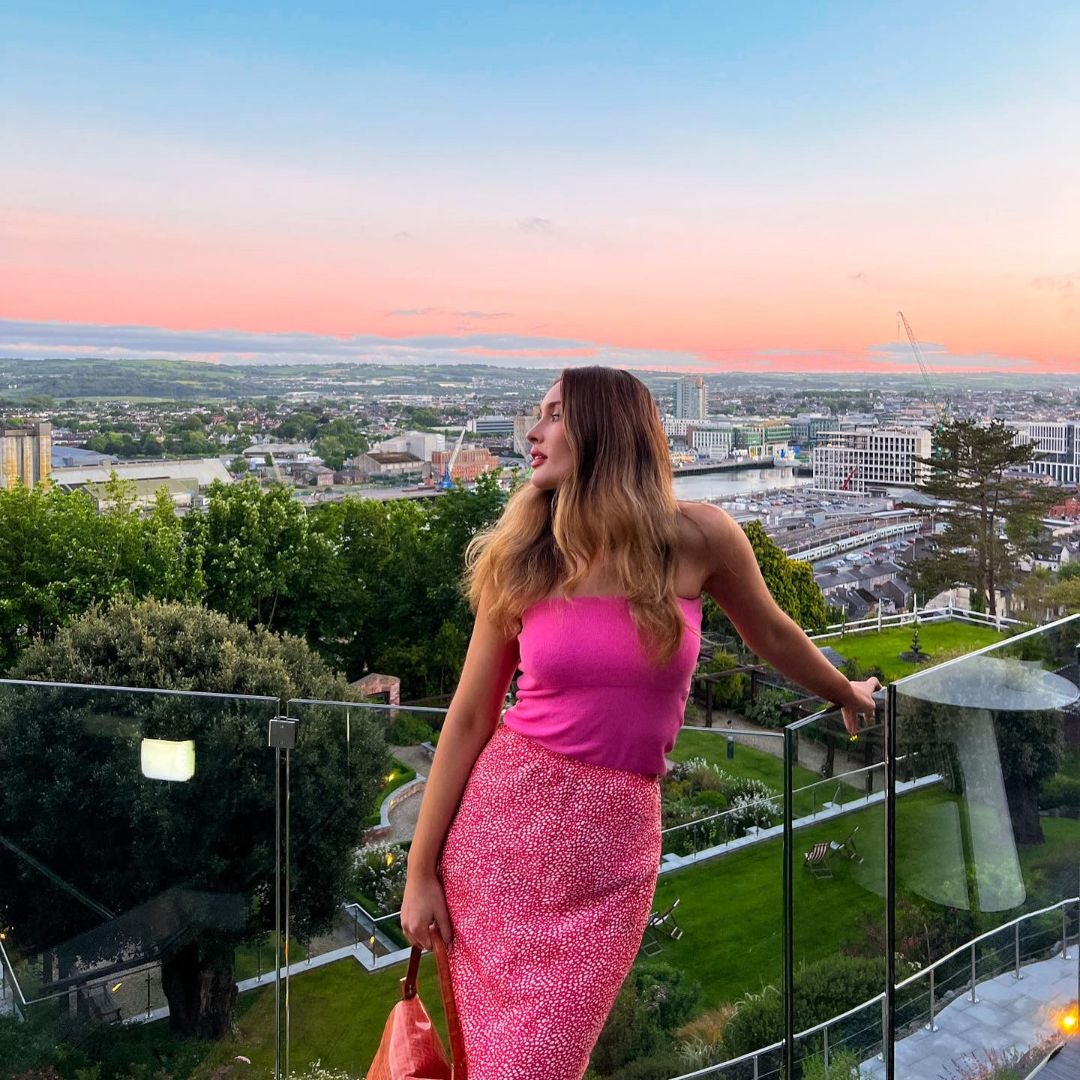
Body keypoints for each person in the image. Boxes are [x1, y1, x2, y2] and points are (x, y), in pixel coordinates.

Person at [401, 366, 879, 1079]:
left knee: (542, 1060)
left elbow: (773, 635)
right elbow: (470, 715)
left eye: (554, 415)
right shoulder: (524, 555)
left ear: (606, 431)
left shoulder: (698, 538)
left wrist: (843, 688)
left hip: (613, 855)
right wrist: (420, 870)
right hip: (502, 838)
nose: (532, 432)